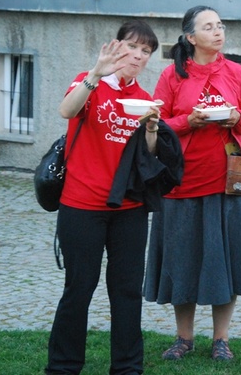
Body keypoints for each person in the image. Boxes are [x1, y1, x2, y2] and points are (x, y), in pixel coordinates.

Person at [46, 20, 173, 375]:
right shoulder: (89, 82)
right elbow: (66, 111)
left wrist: (151, 128)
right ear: (115, 47)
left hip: (129, 208)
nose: (138, 55)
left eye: (146, 51)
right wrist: (96, 74)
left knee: (127, 292)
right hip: (82, 205)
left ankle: (127, 368)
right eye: (132, 47)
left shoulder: (145, 99)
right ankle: (63, 367)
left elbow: (147, 156)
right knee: (79, 288)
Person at [143, 5, 241, 362]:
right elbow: (155, 124)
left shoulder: (236, 72)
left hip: (229, 181)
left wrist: (237, 117)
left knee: (226, 260)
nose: (218, 31)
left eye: (220, 25)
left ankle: (221, 339)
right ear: (191, 38)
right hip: (182, 181)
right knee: (182, 261)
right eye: (209, 27)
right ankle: (184, 337)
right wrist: (188, 122)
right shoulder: (171, 75)